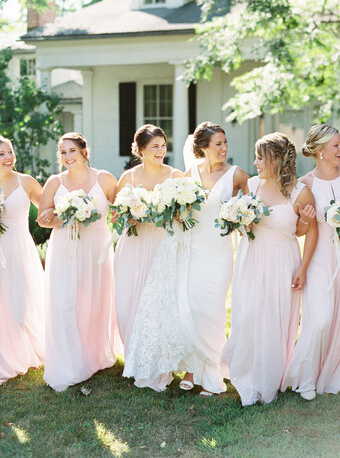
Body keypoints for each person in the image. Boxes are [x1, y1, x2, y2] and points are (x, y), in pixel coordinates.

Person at [222, 133, 317, 405]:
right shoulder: (252, 186)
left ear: (276, 159)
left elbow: (307, 232)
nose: (256, 163)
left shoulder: (300, 192)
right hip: (251, 259)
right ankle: (247, 376)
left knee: (275, 319)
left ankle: (269, 380)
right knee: (248, 317)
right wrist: (240, 221)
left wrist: (304, 267)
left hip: (283, 262)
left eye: (261, 157)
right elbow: (243, 224)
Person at [281, 124, 340, 400]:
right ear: (320, 151)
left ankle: (337, 370)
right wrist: (305, 221)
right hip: (320, 256)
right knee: (319, 319)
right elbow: (298, 231)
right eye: (336, 146)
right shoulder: (305, 184)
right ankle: (305, 378)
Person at [38, 132, 119, 392]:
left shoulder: (103, 178)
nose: (67, 156)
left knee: (92, 302)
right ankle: (67, 362)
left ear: (84, 151)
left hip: (95, 250)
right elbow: (42, 218)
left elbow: (122, 209)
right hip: (64, 248)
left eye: (72, 150)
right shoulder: (55, 182)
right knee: (64, 304)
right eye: (62, 152)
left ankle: (92, 356)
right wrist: (66, 216)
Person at [179, 121, 250, 396]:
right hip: (193, 249)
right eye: (218, 144)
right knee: (193, 310)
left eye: (225, 142)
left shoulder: (237, 175)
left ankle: (213, 369)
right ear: (203, 148)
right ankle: (192, 368)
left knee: (213, 310)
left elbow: (250, 211)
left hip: (219, 252)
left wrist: (241, 220)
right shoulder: (189, 174)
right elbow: (182, 211)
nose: (224, 148)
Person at [114, 124, 182, 355]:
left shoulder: (176, 176)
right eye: (155, 146)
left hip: (162, 243)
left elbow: (185, 215)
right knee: (128, 297)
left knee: (158, 300)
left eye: (163, 145)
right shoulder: (128, 177)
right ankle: (133, 352)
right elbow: (117, 213)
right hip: (133, 243)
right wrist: (130, 215)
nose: (161, 150)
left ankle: (157, 354)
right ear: (141, 150)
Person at [0, 136, 45, 384]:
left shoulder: (26, 182)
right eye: (1, 154)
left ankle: (25, 350)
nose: (8, 158)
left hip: (19, 250)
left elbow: (47, 209)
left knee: (20, 305)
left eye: (10, 152)